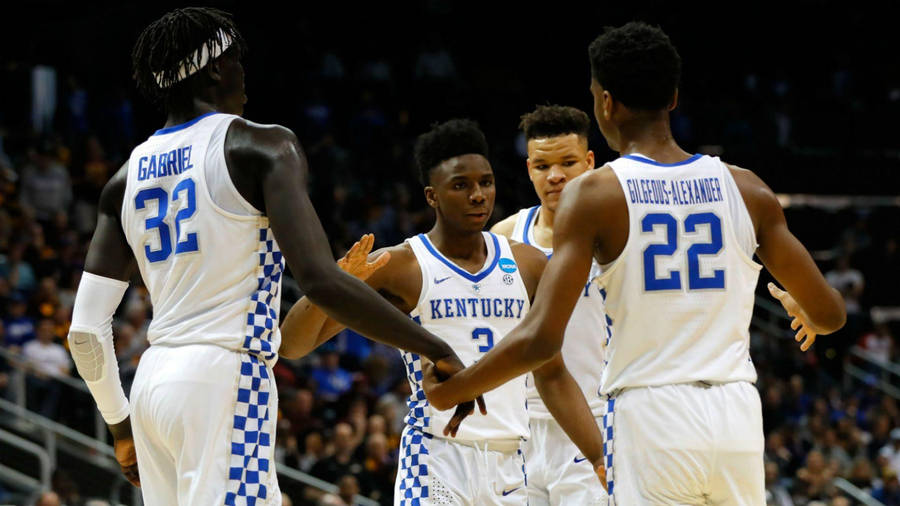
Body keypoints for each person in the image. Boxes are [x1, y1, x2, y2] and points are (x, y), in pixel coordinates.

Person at [423, 22, 846, 505]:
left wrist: (457, 387)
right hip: (736, 412)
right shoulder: (747, 187)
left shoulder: (597, 192)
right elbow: (831, 315)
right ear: (673, 97)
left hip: (651, 413)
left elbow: (541, 338)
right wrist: (804, 306)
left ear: (605, 103)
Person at [66, 8, 469, 505]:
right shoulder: (262, 145)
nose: (244, 72)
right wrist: (437, 349)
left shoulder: (123, 180)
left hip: (151, 385)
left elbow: (85, 332)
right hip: (225, 374)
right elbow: (319, 281)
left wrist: (119, 424)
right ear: (214, 67)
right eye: (237, 59)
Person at [279, 119, 603, 505]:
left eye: (485, 182)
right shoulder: (401, 265)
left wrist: (598, 454)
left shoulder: (529, 264)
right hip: (436, 457)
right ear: (432, 196)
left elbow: (551, 372)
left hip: (511, 464)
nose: (478, 195)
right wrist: (330, 285)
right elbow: (293, 346)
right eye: (461, 186)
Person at [490, 104, 607, 505]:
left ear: (589, 162)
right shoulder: (505, 237)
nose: (554, 176)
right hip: (518, 429)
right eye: (542, 166)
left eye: (568, 163)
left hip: (594, 423)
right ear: (528, 169)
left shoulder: (616, 236)